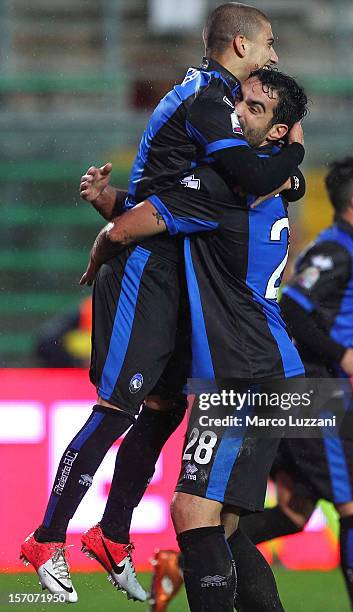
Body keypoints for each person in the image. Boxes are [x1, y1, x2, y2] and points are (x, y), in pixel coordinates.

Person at [20, 3, 304, 603]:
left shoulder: (218, 108)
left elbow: (205, 187)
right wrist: (109, 235)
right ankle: (47, 537)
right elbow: (238, 183)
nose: (275, 52)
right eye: (269, 42)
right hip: (145, 268)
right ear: (241, 46)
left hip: (171, 267)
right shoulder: (208, 103)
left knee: (165, 406)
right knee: (120, 408)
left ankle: (112, 533)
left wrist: (114, 210)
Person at [80, 69, 308, 612]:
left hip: (243, 373)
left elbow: (131, 227)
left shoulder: (224, 186)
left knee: (191, 512)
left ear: (276, 133)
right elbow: (164, 206)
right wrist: (111, 199)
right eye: (240, 100)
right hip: (267, 369)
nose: (237, 110)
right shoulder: (255, 182)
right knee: (224, 528)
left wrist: (104, 240)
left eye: (253, 108)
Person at [149, 157, 353, 612]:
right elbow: (295, 311)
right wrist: (343, 354)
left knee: (292, 511)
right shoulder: (334, 252)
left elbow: (318, 318)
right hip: (316, 395)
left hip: (294, 386)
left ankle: (187, 564)